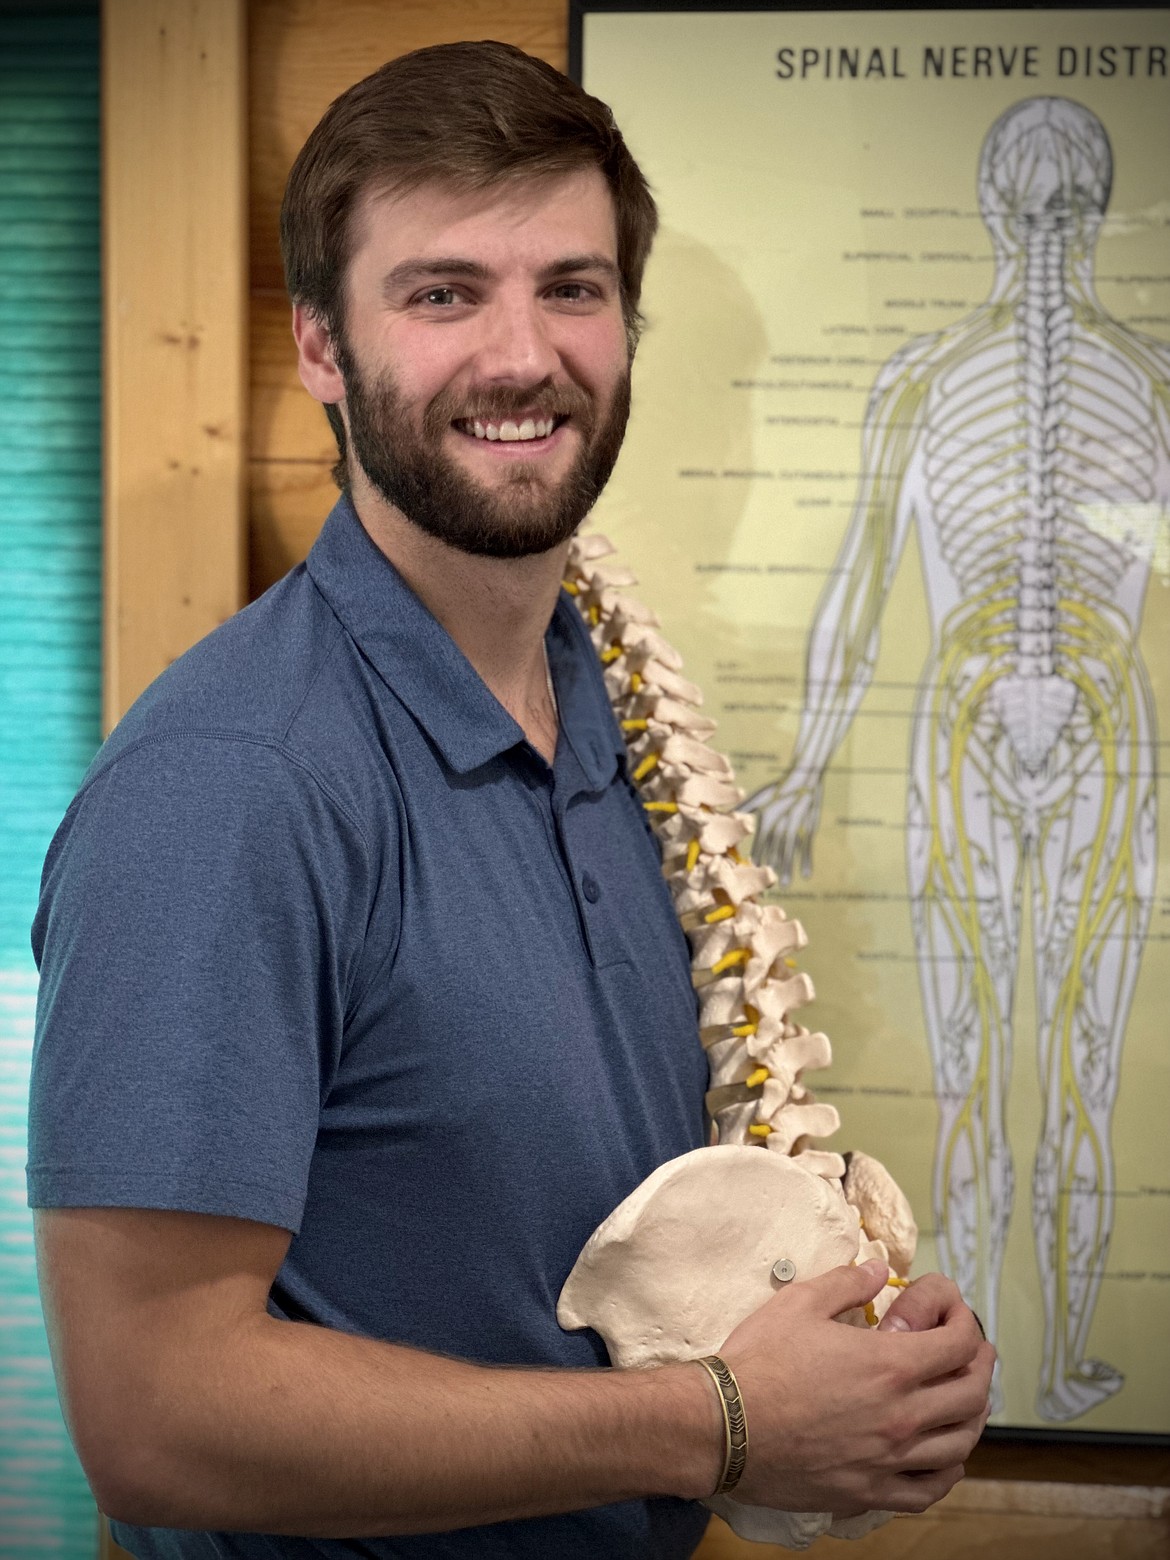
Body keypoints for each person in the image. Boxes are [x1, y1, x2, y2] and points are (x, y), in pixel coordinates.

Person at [28, 41, 994, 1560]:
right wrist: (721, 1422)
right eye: (440, 293)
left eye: (572, 286)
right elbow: (155, 1417)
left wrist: (851, 1360)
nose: (520, 353)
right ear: (321, 351)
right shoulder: (229, 791)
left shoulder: (612, 713)